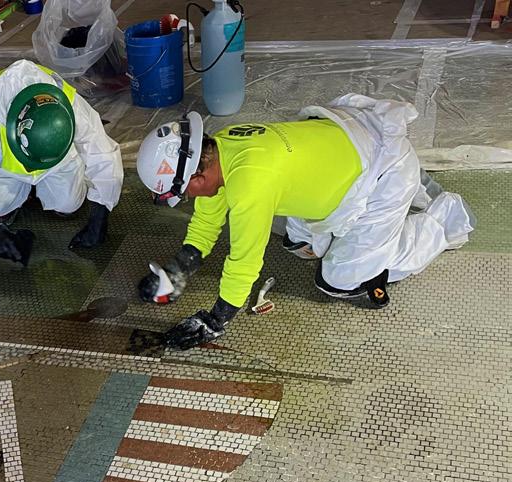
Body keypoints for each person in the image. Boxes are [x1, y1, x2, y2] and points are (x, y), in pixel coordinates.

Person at [135, 96, 475, 349]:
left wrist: (215, 320)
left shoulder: (250, 183)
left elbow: (244, 260)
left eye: (184, 193)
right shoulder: (219, 148)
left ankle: (441, 221)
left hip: (382, 176)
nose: (189, 199)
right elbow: (207, 218)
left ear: (197, 174)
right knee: (299, 243)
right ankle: (391, 205)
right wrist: (177, 270)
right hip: (350, 147)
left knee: (338, 280)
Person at [0, 59, 124, 264]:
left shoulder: (70, 106)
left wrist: (100, 217)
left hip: (58, 162)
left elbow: (104, 155)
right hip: (6, 169)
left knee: (68, 206)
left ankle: (43, 190)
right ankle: (22, 194)